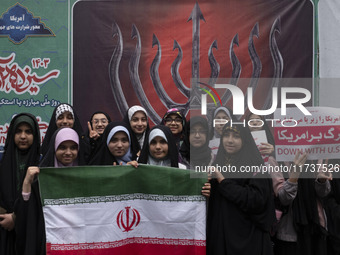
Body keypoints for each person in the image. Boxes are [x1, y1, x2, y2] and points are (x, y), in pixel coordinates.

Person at [206, 122, 275, 255]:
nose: (230, 140)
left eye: (236, 136)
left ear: (245, 139)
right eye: (226, 135)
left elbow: (257, 200)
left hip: (248, 238)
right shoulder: (218, 163)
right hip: (222, 236)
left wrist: (223, 182)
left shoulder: (256, 166)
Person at [0, 113, 42, 255]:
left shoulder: (42, 164)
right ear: (12, 134)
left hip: (32, 230)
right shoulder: (2, 163)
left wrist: (16, 218)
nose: (23, 136)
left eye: (28, 132)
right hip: (4, 230)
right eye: (18, 131)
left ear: (35, 135)